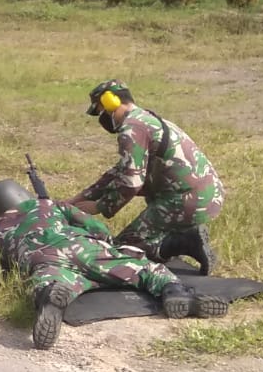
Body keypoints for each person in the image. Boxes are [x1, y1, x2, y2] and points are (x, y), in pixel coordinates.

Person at [0, 179, 227, 351]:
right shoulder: (49, 205)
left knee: (51, 280)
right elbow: (95, 227)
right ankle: (176, 293)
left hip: (44, 259)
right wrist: (107, 242)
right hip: (79, 246)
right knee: (144, 269)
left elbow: (6, 259)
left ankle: (50, 297)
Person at [64, 80, 224, 275]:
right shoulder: (145, 119)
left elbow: (132, 183)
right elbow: (120, 172)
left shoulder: (132, 129)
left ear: (111, 102)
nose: (103, 118)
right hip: (204, 194)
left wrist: (99, 206)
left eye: (102, 111)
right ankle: (179, 236)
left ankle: (183, 242)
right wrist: (78, 199)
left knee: (124, 251)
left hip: (185, 201)